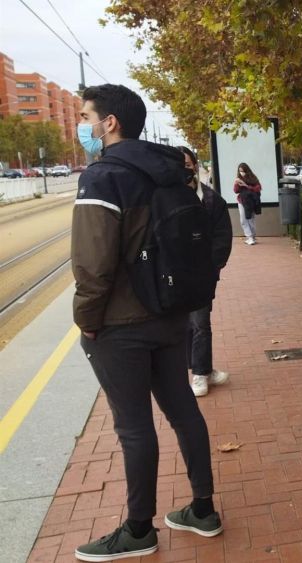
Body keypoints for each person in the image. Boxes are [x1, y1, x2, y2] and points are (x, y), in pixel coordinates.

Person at [71, 84, 223, 562]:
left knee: (134, 428)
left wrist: (87, 320)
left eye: (85, 116)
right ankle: (203, 510)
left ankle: (139, 530)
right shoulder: (169, 172)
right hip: (170, 313)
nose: (83, 126)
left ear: (109, 123)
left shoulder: (103, 177)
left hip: (120, 324)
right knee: (183, 412)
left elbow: (93, 264)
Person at [179, 146, 232, 397]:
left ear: (196, 165)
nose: (184, 169)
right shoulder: (163, 198)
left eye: (188, 164)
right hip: (173, 275)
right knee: (183, 325)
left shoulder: (212, 200)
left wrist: (213, 266)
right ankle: (201, 369)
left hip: (202, 275)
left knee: (200, 323)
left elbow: (223, 237)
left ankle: (200, 373)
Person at [233, 162, 262, 245]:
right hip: (241, 201)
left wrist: (246, 185)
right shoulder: (238, 178)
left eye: (243, 171)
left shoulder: (253, 178)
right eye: (240, 171)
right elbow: (235, 191)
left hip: (251, 201)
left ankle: (252, 236)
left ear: (247, 170)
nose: (242, 173)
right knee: (243, 219)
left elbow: (258, 188)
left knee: (251, 219)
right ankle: (249, 237)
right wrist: (236, 183)